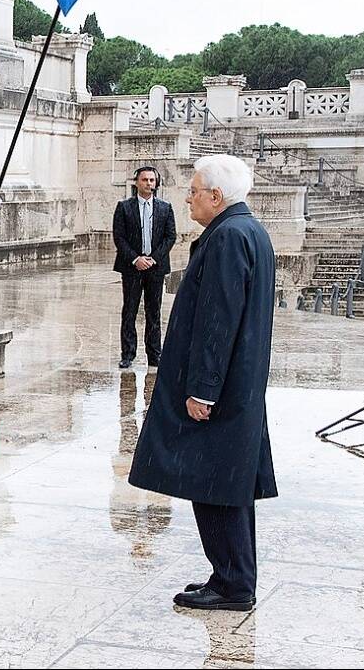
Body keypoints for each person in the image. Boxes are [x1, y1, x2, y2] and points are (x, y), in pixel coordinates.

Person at [129, 154, 277, 611]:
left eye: (194, 190)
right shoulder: (245, 230)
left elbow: (219, 318)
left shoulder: (230, 237)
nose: (188, 197)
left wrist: (203, 389)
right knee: (225, 484)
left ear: (216, 196)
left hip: (222, 389)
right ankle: (230, 573)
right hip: (238, 384)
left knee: (215, 482)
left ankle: (234, 585)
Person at [112, 166, 176, 369]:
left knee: (153, 311)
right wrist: (135, 259)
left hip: (155, 268)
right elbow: (119, 237)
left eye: (152, 180)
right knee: (129, 310)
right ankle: (127, 354)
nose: (149, 184)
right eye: (145, 180)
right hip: (132, 267)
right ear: (137, 182)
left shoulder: (166, 208)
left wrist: (153, 258)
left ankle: (154, 354)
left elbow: (170, 236)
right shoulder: (124, 207)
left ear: (156, 183)